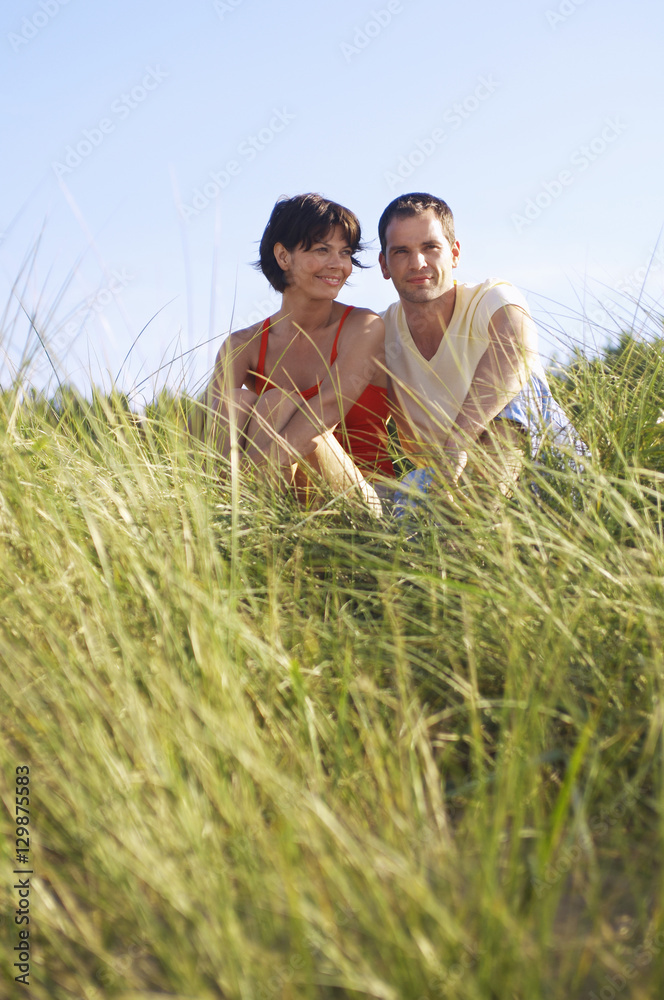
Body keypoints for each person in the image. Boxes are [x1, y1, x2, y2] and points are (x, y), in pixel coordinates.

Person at [377, 192, 580, 506]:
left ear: (454, 254)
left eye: (430, 247)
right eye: (401, 251)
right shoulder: (378, 334)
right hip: (444, 487)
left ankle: (478, 525)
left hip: (549, 476)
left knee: (521, 386)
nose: (418, 263)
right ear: (384, 264)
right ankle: (467, 535)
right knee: (405, 496)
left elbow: (516, 345)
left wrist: (456, 446)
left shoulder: (491, 297)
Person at [198, 193, 394, 511]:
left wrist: (247, 479)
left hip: (368, 502)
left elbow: (329, 408)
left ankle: (238, 517)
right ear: (284, 256)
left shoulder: (363, 326)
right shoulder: (241, 346)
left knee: (281, 405)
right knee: (235, 401)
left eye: (344, 253)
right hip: (288, 499)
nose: (338, 264)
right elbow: (212, 434)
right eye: (321, 250)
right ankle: (242, 530)